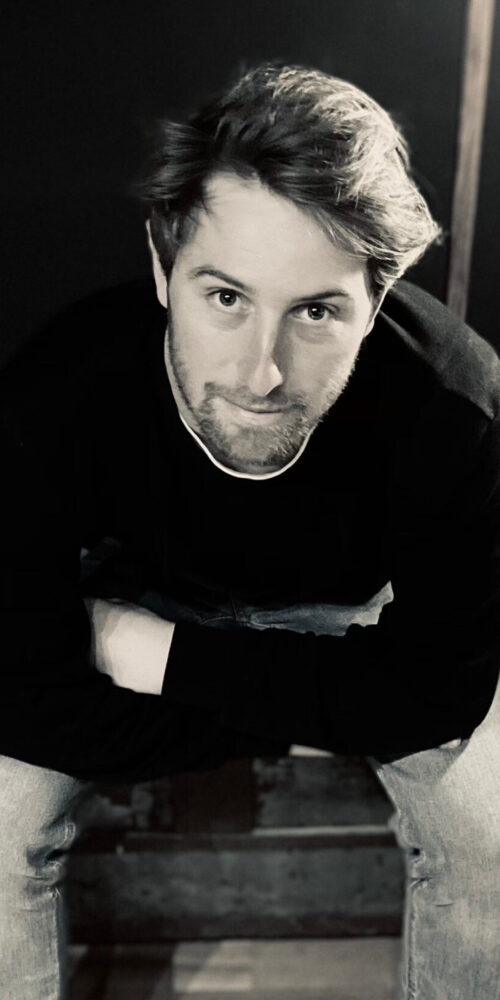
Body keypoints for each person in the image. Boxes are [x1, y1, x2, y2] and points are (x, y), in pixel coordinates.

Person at [1, 62, 500, 1000]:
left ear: (378, 300)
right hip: (148, 594)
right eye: (225, 297)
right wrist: (297, 709)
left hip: (336, 614)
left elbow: (437, 694)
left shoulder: (455, 410)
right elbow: (18, 690)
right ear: (163, 270)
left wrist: (160, 659)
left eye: (316, 311)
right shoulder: (55, 396)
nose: (262, 374)